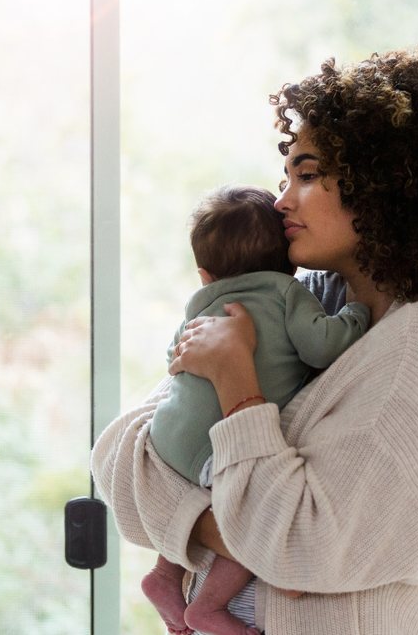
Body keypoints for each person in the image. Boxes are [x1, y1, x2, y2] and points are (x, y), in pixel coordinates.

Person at [91, 45, 418, 634]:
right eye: (287, 177)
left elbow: (305, 547)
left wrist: (236, 380)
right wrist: (233, 532)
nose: (281, 202)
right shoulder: (306, 299)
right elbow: (119, 457)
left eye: (307, 176)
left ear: (388, 186)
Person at [140, 184, 370, 635]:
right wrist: (356, 314)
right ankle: (208, 607)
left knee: (198, 491)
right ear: (290, 261)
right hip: (219, 444)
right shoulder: (288, 292)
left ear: (206, 275)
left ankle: (165, 574)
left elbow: (175, 358)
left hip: (167, 435)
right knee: (242, 517)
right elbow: (321, 347)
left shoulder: (200, 301)